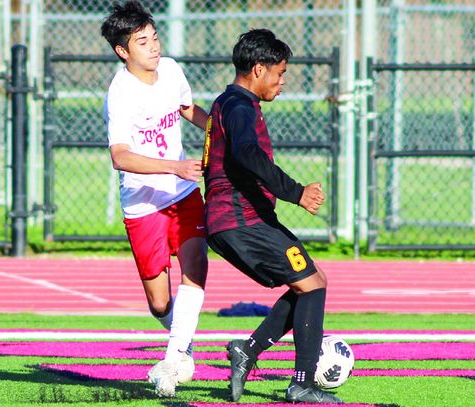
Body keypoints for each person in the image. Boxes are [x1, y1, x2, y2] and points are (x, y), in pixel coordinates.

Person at [202, 29, 343, 404]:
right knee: (311, 284)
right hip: (239, 219)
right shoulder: (239, 105)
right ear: (258, 69)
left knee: (311, 281)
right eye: (279, 73)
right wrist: (296, 192)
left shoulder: (231, 103)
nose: (282, 82)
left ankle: (248, 350)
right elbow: (247, 153)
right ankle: (301, 384)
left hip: (242, 219)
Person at [101, 0, 208, 398]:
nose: (153, 46)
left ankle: (173, 357)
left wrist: (220, 125)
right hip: (143, 203)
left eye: (155, 36)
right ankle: (184, 345)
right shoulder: (121, 92)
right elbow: (120, 157)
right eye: (142, 41)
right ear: (123, 51)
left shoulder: (173, 70)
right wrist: (173, 166)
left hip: (183, 194)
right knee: (160, 303)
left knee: (196, 268)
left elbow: (187, 108)